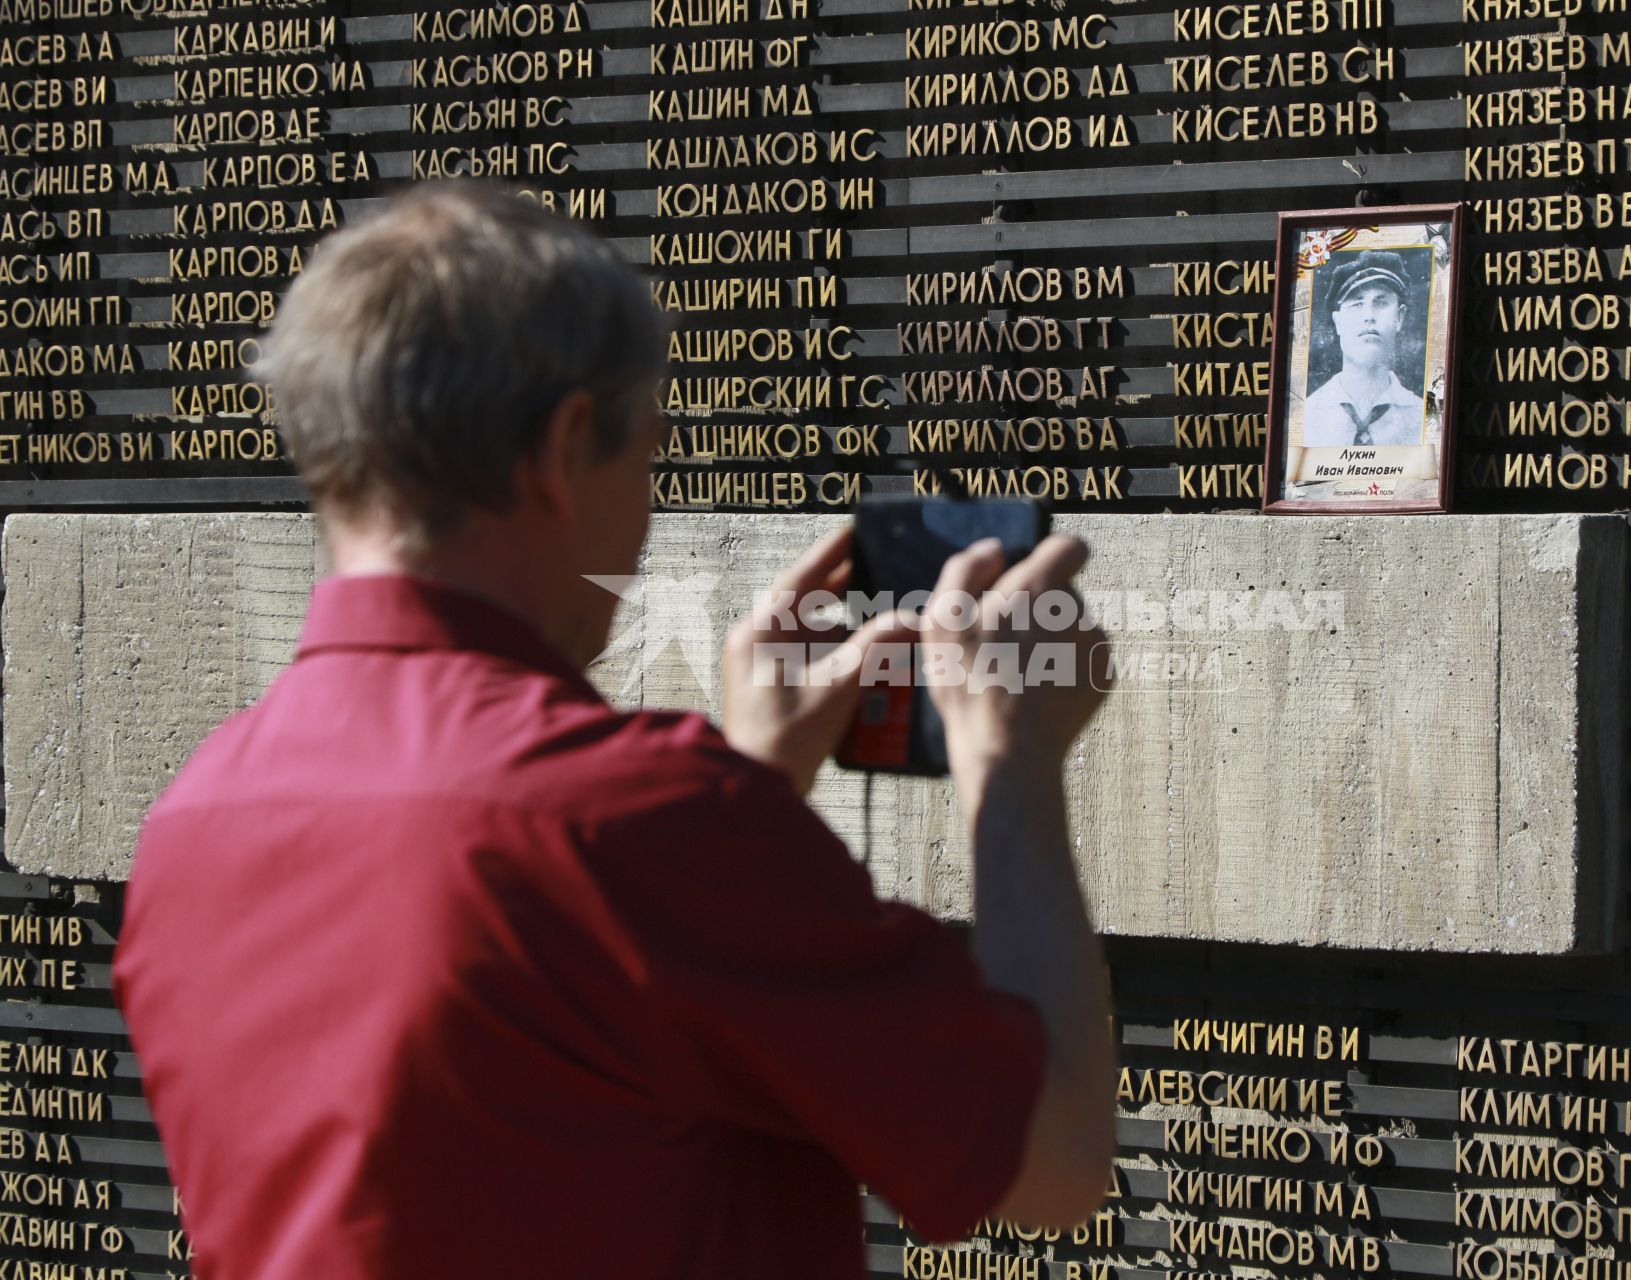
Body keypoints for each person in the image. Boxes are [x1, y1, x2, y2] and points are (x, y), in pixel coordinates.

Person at [112, 182, 1115, 1279]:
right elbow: (1054, 1158)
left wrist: (752, 786)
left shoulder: (191, 820)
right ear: (564, 445)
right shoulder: (640, 822)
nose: (642, 526)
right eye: (647, 461)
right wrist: (1009, 760)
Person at [1299, 249, 1424, 448]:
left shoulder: (1424, 418)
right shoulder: (1304, 417)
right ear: (1338, 322)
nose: (1369, 315)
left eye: (1381, 302)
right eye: (1357, 304)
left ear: (1399, 317)